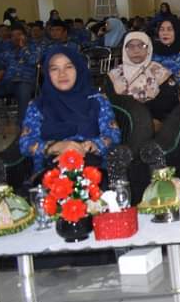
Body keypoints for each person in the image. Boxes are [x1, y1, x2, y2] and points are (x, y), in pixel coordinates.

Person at [17, 47, 142, 196]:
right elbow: (25, 144)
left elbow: (113, 134)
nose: (62, 74)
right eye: (54, 69)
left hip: (93, 170)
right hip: (50, 174)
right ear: (47, 73)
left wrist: (90, 146)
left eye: (68, 67)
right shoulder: (37, 106)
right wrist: (55, 146)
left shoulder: (97, 100)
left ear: (78, 68)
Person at [107, 32, 180, 124]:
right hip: (122, 123)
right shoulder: (115, 74)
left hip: (153, 122)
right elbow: (109, 103)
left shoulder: (160, 72)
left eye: (142, 45)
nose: (136, 50)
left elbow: (169, 103)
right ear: (124, 50)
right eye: (130, 46)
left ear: (148, 48)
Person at [0, 24, 40, 127]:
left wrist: (23, 48)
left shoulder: (34, 48)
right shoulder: (6, 50)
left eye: (19, 34)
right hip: (8, 83)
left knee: (23, 91)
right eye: (13, 35)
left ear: (25, 36)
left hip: (26, 82)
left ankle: (22, 127)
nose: (16, 37)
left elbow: (34, 61)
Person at [151, 14, 180, 91]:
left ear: (177, 31)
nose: (165, 33)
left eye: (169, 29)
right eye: (162, 29)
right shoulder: (153, 54)